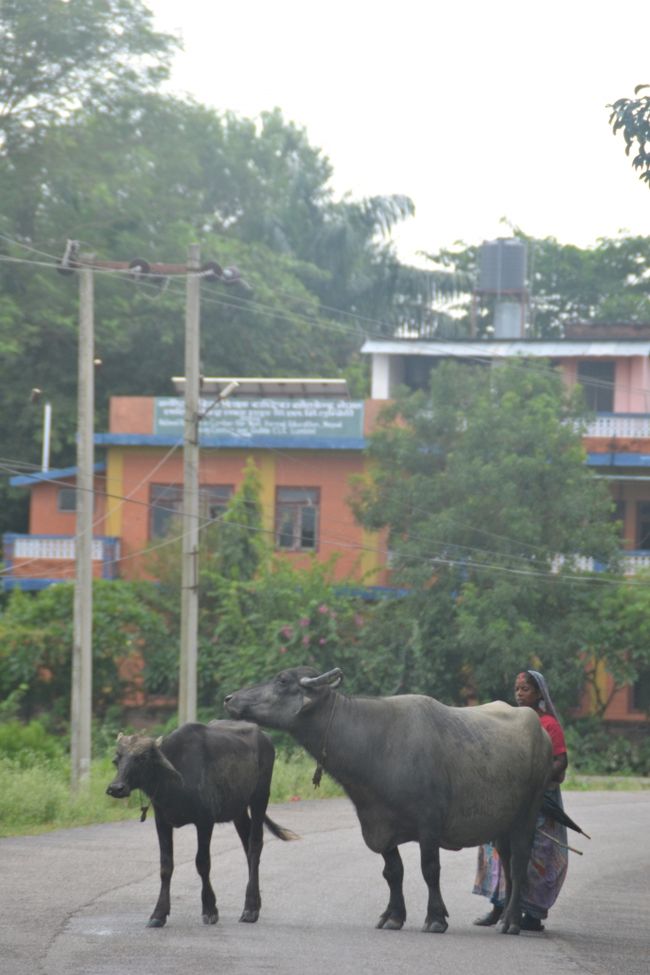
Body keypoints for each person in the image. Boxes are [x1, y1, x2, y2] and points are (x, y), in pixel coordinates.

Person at [472, 669, 569, 932]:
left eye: (525, 689)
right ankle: (500, 907)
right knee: (497, 849)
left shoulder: (548, 724)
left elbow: (561, 760)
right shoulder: (509, 721)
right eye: (517, 689)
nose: (519, 694)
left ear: (539, 693)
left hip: (539, 799)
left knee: (535, 853)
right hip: (508, 797)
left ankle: (533, 915)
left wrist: (536, 780)